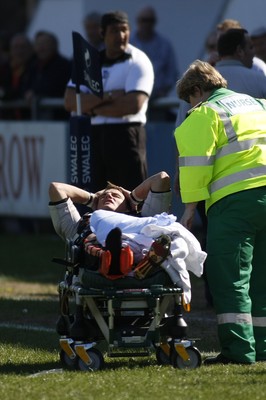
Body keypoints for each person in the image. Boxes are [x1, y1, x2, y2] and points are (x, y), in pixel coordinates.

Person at [174, 59, 266, 365]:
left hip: (235, 203)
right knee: (262, 279)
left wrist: (189, 210)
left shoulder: (205, 113)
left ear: (197, 90)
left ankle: (239, 351)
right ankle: (263, 347)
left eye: (189, 98)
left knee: (230, 278)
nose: (191, 104)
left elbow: (195, 166)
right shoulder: (257, 104)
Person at [64, 11, 154, 191]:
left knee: (131, 197)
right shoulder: (90, 62)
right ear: (102, 33)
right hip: (94, 135)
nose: (121, 36)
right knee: (95, 197)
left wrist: (90, 107)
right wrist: (109, 96)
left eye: (125, 30)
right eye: (114, 31)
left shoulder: (138, 60)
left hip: (126, 136)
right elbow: (70, 101)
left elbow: (132, 105)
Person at [49, 171, 171, 243]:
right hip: (93, 263)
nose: (108, 197)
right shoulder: (80, 226)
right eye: (103, 197)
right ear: (96, 207)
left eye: (116, 196)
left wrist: (133, 198)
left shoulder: (143, 219)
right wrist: (91, 199)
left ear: (129, 207)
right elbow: (56, 189)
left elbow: (162, 178)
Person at [130, 6, 178, 101]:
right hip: (132, 100)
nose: (147, 24)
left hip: (157, 102)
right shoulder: (128, 44)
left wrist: (163, 91)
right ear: (138, 21)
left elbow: (172, 74)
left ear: (154, 22)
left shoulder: (165, 45)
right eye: (144, 20)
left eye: (150, 20)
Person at [27, 30, 71, 119]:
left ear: (55, 46)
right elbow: (25, 85)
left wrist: (35, 93)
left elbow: (57, 87)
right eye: (38, 44)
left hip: (59, 118)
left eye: (45, 44)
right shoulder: (32, 66)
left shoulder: (64, 66)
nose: (41, 47)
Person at [216, 28, 266, 98]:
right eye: (251, 47)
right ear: (239, 51)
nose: (254, 52)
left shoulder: (205, 81)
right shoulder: (260, 80)